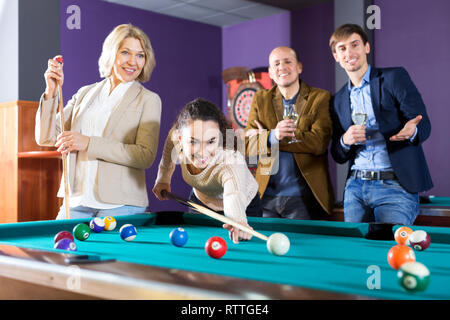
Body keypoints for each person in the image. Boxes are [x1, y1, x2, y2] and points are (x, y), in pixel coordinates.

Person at [35, 24, 162, 219]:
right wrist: (51, 92)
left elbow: (144, 155)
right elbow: (47, 137)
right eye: (125, 52)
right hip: (76, 200)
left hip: (121, 204)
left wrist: (88, 143)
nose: (133, 62)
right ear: (112, 53)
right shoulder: (85, 93)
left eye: (140, 55)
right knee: (60, 250)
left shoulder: (149, 100)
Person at [329, 23, 433, 225]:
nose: (349, 52)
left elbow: (424, 124)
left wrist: (412, 131)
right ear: (336, 56)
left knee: (392, 252)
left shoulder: (394, 78)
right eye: (342, 48)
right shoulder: (338, 99)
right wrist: (344, 140)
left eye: (354, 44)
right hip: (355, 188)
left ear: (366, 47)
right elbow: (337, 153)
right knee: (355, 252)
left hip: (394, 184)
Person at [153, 98, 261, 243]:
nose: (202, 153)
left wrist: (238, 221)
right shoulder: (175, 137)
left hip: (245, 205)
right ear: (180, 138)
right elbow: (167, 158)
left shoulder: (230, 161)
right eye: (193, 142)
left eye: (211, 141)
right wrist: (163, 179)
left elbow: (233, 194)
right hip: (201, 200)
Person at [244, 46, 334, 220]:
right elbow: (247, 145)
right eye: (276, 64)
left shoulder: (320, 97)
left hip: (303, 198)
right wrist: (273, 135)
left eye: (287, 62)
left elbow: (319, 143)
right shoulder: (260, 99)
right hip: (265, 197)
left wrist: (268, 138)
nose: (282, 67)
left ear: (299, 67)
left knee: (302, 247)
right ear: (270, 72)